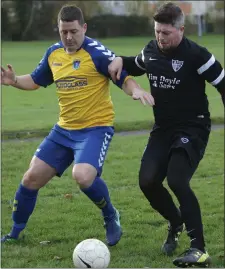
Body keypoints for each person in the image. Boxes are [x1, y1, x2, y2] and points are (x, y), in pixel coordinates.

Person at [1, 5, 154, 247]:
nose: (69, 37)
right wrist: (14, 81)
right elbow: (35, 80)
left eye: (73, 31)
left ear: (84, 28)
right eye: (64, 32)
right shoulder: (53, 53)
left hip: (95, 128)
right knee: (30, 178)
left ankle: (110, 215)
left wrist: (135, 90)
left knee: (82, 176)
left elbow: (122, 76)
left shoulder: (96, 52)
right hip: (63, 130)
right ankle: (15, 233)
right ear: (58, 31)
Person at [108, 2, 224, 267]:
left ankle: (199, 249)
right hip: (163, 129)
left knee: (177, 179)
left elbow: (223, 83)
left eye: (166, 33)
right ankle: (175, 221)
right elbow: (134, 65)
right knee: (147, 181)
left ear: (181, 30)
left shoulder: (197, 55)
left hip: (193, 127)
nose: (160, 37)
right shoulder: (150, 51)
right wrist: (118, 60)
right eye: (157, 31)